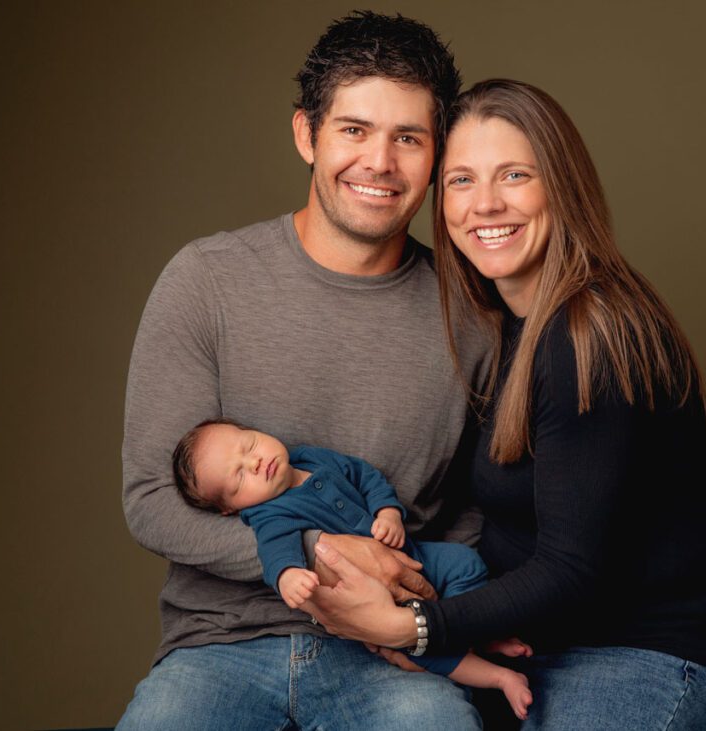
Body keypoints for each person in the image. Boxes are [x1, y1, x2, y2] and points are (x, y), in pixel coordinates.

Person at [302, 79, 706, 730]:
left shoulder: (590, 332)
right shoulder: (507, 325)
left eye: (514, 175)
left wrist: (413, 625)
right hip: (534, 653)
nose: (485, 203)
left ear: (561, 186)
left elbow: (571, 570)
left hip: (643, 662)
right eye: (461, 180)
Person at [117, 12, 491, 730]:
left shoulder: (472, 314)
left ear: (436, 154)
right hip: (221, 646)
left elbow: (473, 509)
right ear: (306, 135)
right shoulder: (206, 280)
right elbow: (151, 500)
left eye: (408, 138)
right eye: (354, 129)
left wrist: (422, 623)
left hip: (389, 656)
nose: (379, 162)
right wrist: (321, 552)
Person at [171, 418, 534, 719]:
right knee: (426, 646)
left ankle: (476, 634)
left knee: (465, 563)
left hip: (412, 555)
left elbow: (363, 475)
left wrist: (388, 512)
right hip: (375, 600)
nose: (253, 463)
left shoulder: (309, 458)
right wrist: (288, 576)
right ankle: (498, 677)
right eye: (238, 478)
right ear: (231, 509)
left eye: (248, 445)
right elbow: (275, 551)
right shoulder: (269, 514)